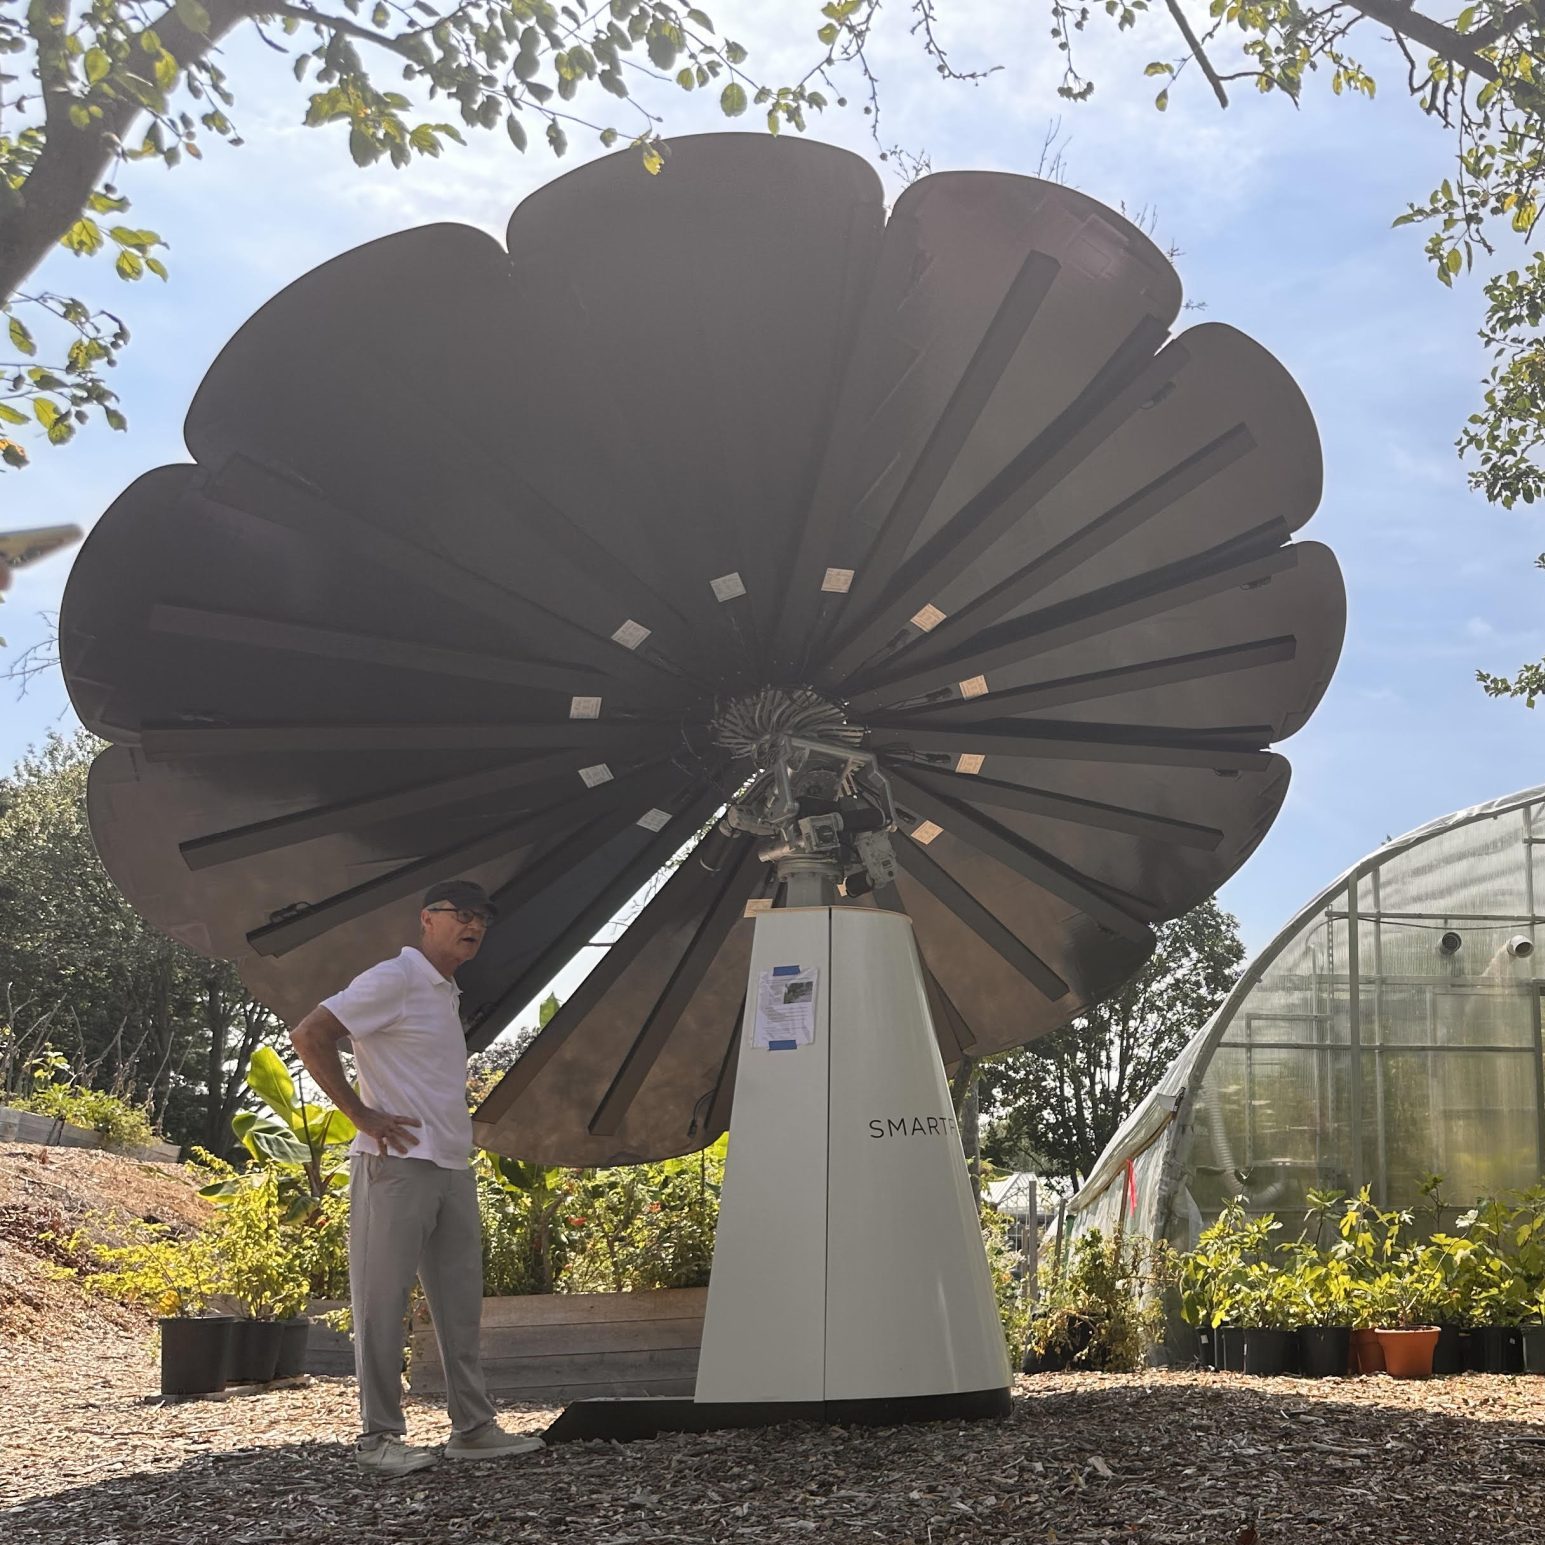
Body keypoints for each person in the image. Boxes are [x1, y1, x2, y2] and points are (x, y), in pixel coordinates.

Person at [291, 879, 542, 1476]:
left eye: (482, 917)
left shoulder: (443, 992)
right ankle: (379, 1437)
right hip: (396, 1166)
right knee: (382, 1303)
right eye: (462, 914)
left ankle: (473, 1429)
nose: (474, 924)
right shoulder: (395, 978)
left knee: (460, 1306)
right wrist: (361, 1115)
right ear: (426, 919)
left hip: (452, 1165)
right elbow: (310, 1035)